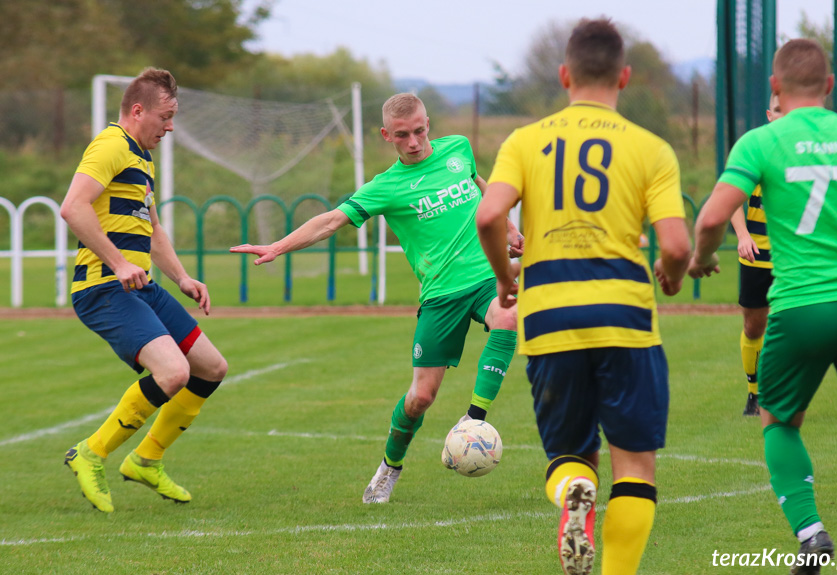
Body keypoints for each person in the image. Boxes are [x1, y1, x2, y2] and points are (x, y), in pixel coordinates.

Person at [230, 93, 522, 504]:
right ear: (387, 135)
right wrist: (278, 246)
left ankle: (473, 421)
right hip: (440, 294)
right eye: (403, 135)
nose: (415, 141)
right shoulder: (385, 187)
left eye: (420, 131)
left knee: (509, 316)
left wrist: (507, 228)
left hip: (486, 276)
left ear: (428, 124)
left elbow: (480, 186)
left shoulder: (459, 148)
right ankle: (390, 466)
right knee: (420, 397)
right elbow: (331, 221)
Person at [476, 18, 691, 575]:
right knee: (635, 468)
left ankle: (573, 488)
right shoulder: (652, 149)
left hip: (550, 317)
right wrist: (672, 273)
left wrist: (504, 279)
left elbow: (490, 214)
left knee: (569, 456)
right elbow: (675, 244)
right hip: (625, 316)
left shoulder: (524, 140)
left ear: (564, 74)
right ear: (624, 77)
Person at [689, 39, 837, 573]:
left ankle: (811, 535)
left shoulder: (760, 141)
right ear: (831, 87)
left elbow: (712, 218)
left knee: (780, 419)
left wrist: (698, 261)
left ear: (775, 88)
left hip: (801, 308)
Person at [61, 68, 228, 514]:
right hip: (103, 288)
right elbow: (72, 208)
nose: (170, 127)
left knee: (211, 368)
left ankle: (146, 460)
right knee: (172, 373)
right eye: (166, 116)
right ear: (138, 111)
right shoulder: (110, 145)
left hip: (141, 286)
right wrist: (117, 262)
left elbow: (151, 230)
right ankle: (91, 453)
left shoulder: (142, 157)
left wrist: (183, 278)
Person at [729, 93, 783, 417]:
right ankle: (754, 391)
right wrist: (743, 235)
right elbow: (733, 198)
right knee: (753, 327)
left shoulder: (804, 155)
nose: (783, 114)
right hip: (755, 254)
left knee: (789, 324)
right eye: (778, 109)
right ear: (769, 114)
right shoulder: (756, 151)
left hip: (791, 259)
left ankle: (781, 392)